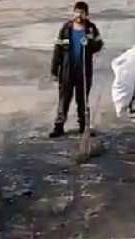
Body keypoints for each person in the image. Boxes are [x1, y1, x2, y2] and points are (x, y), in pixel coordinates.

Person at [50, 2, 104, 138]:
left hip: (84, 72)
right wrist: (54, 70)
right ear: (73, 13)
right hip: (67, 72)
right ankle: (59, 127)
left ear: (86, 14)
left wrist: (90, 43)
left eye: (82, 12)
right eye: (77, 12)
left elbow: (99, 44)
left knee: (82, 101)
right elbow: (58, 50)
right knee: (64, 100)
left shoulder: (91, 28)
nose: (79, 15)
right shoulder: (66, 29)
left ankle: (83, 127)